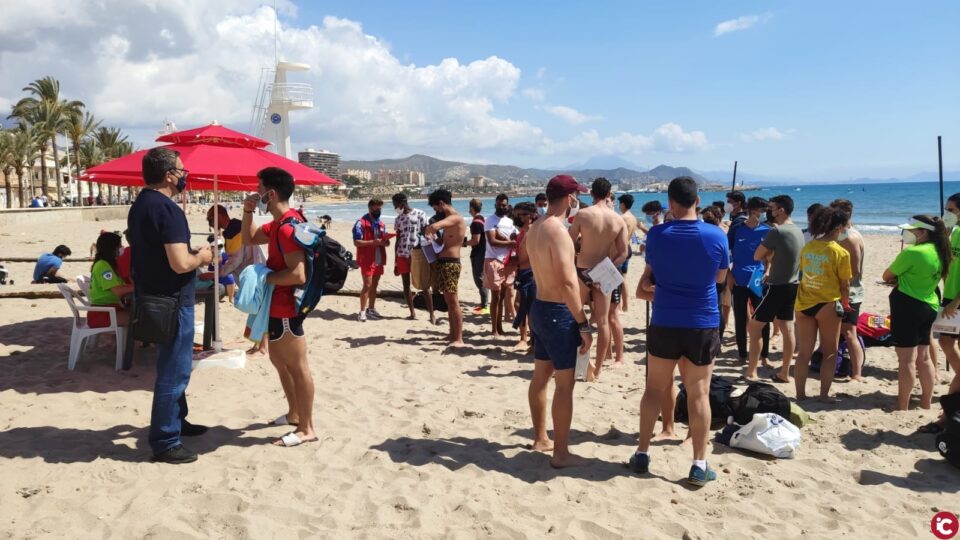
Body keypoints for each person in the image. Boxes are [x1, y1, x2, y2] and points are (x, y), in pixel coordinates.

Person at [630, 176, 728, 487]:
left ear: (670, 203)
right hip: (701, 320)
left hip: (665, 320)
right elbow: (720, 276)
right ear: (697, 200)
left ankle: (643, 453)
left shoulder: (658, 235)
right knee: (699, 393)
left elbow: (652, 274)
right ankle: (699, 464)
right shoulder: (716, 235)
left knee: (654, 390)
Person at [128, 147, 214, 464]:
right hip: (173, 301)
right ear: (168, 175)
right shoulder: (167, 210)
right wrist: (202, 257)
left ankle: (178, 420)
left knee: (172, 366)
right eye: (181, 170)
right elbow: (180, 263)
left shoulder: (140, 205)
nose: (184, 175)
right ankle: (165, 439)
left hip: (152, 296)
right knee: (174, 372)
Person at [241, 167, 317, 447]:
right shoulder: (279, 223)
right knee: (279, 361)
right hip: (276, 307)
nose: (256, 193)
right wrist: (248, 210)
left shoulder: (287, 228)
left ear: (270, 193)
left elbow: (298, 275)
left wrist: (264, 278)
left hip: (287, 308)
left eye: (259, 189)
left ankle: (307, 428)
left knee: (297, 367)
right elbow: (248, 239)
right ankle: (294, 413)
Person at [525, 174, 594, 468]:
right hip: (557, 311)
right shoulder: (557, 231)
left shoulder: (536, 227)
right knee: (564, 385)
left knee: (541, 377)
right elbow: (567, 284)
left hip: (539, 306)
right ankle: (561, 453)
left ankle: (541, 437)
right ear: (569, 198)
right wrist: (583, 323)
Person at [883, 215, 950, 411]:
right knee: (924, 357)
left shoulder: (913, 253)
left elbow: (887, 275)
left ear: (923, 233)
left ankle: (902, 405)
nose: (907, 234)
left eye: (911, 231)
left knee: (906, 361)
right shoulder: (940, 251)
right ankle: (926, 402)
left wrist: (898, 279)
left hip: (908, 307)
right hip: (929, 304)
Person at [569, 178, 629, 380]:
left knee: (576, 316)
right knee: (604, 321)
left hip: (583, 269)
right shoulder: (617, 219)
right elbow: (624, 252)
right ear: (609, 193)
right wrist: (605, 268)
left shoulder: (583, 214)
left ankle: (579, 363)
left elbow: (568, 244)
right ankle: (599, 368)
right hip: (603, 271)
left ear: (592, 193)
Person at [793, 206, 852, 403]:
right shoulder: (840, 252)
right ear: (839, 227)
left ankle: (800, 394)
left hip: (804, 302)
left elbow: (804, 271)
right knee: (830, 352)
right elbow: (845, 284)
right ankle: (823, 395)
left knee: (804, 353)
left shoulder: (809, 246)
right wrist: (846, 302)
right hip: (827, 303)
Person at [749, 195, 803, 383]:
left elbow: (757, 255)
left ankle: (752, 371)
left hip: (776, 285)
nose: (769, 211)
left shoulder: (777, 232)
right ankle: (784, 372)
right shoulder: (798, 231)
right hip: (792, 284)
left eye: (771, 208)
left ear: (781, 210)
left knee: (754, 326)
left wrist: (770, 254)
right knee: (787, 328)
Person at [929, 194, 960, 433]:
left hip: (956, 300)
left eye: (951, 209)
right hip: (948, 295)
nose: (947, 212)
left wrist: (956, 302)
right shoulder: (954, 231)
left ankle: (946, 415)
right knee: (946, 342)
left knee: (948, 343)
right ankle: (948, 413)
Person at [423, 189, 466, 348]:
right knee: (448, 301)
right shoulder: (451, 220)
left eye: (436, 208)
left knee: (453, 301)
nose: (437, 211)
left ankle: (459, 338)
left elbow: (434, 226)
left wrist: (430, 230)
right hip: (444, 261)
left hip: (451, 263)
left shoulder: (454, 218)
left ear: (441, 203)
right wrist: (434, 241)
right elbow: (444, 240)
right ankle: (452, 333)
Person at [731, 196, 771, 368]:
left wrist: (768, 271)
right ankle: (742, 354)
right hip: (739, 279)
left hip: (758, 279)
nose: (765, 214)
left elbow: (771, 255)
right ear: (753, 211)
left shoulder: (767, 230)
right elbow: (725, 252)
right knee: (740, 318)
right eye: (762, 211)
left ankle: (764, 356)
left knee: (763, 318)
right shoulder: (736, 229)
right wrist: (728, 276)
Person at [830, 199, 866, 382]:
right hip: (843, 291)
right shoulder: (844, 235)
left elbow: (855, 269)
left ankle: (857, 372)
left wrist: (842, 290)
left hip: (850, 293)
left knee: (850, 332)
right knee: (840, 332)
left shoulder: (850, 237)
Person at [484, 194, 518, 336]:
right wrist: (509, 243)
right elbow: (492, 241)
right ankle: (494, 328)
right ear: (495, 205)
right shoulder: (490, 221)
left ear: (507, 205)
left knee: (503, 296)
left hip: (507, 261)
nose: (501, 207)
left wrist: (510, 241)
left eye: (504, 205)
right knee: (495, 296)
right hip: (493, 260)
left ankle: (499, 327)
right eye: (499, 204)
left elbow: (516, 237)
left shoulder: (510, 222)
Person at [392, 193, 429, 320]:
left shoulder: (420, 214)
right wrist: (395, 261)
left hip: (417, 253)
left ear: (401, 203)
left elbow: (426, 233)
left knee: (424, 284)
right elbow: (397, 240)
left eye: (395, 205)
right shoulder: (398, 219)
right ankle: (412, 313)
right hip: (402, 254)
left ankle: (431, 314)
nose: (395, 208)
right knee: (406, 284)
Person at [354, 198, 390, 322]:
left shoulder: (381, 224)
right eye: (376, 208)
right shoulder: (361, 223)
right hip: (367, 258)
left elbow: (384, 241)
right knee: (367, 285)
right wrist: (372, 242)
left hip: (379, 258)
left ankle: (371, 309)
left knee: (375, 284)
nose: (378, 210)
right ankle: (362, 311)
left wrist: (386, 242)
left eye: (380, 208)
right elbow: (356, 242)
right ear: (370, 208)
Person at [87, 232, 134, 328]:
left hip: (111, 309)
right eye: (119, 245)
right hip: (103, 313)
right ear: (112, 248)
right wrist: (137, 287)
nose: (122, 248)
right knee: (140, 321)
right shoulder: (103, 265)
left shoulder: (108, 264)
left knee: (140, 317)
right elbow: (118, 291)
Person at [509, 202, 537, 349]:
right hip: (522, 272)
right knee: (519, 304)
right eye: (517, 215)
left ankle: (532, 340)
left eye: (522, 215)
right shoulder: (522, 232)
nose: (518, 217)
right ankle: (524, 337)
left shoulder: (532, 231)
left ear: (530, 216)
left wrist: (514, 262)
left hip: (530, 272)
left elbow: (532, 256)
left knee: (529, 308)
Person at [465, 199, 489, 315]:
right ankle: (484, 303)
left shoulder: (476, 223)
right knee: (482, 278)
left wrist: (464, 243)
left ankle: (485, 305)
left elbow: (476, 241)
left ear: (472, 208)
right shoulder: (482, 219)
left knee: (479, 279)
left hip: (478, 253)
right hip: (483, 252)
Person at [617, 193, 639, 313]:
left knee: (618, 279)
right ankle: (624, 305)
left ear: (623, 204)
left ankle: (622, 305)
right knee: (623, 277)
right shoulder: (633, 217)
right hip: (628, 247)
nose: (619, 206)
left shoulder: (623, 218)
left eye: (620, 203)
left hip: (621, 249)